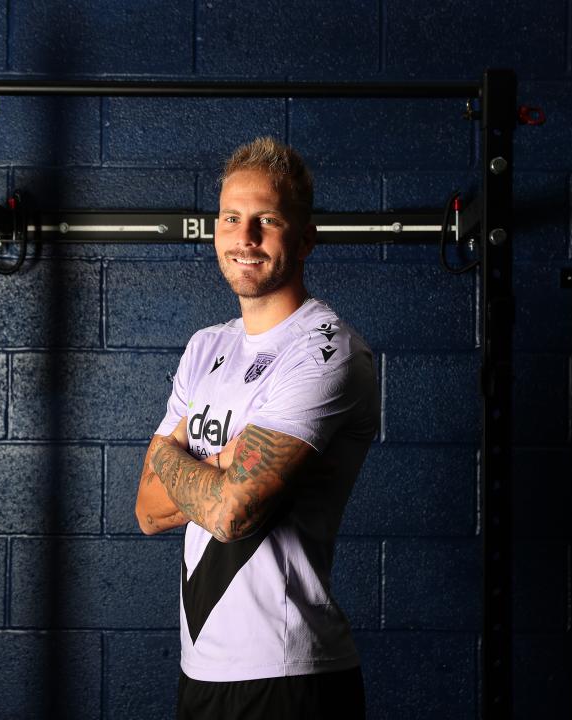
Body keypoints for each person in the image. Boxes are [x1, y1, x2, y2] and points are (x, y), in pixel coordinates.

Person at [135, 136, 379, 719]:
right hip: (201, 667)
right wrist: (221, 467)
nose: (244, 239)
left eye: (266, 221)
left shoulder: (325, 351)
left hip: (288, 673)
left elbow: (231, 514)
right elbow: (145, 510)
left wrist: (175, 453)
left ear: (305, 236)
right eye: (230, 219)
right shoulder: (206, 347)